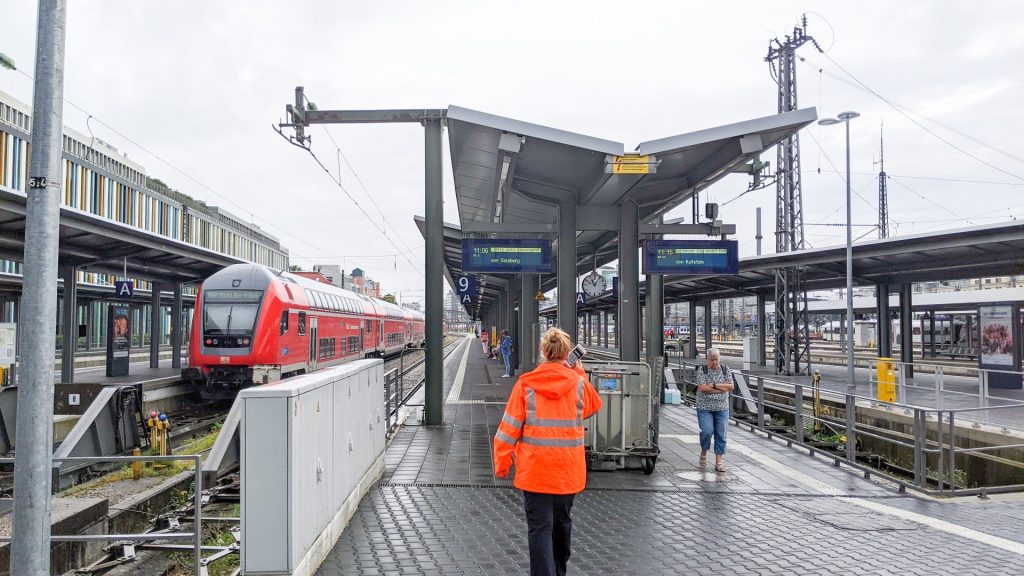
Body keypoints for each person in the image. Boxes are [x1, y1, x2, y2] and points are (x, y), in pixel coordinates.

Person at [494, 327, 602, 576]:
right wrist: (577, 371)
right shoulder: (577, 383)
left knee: (540, 529)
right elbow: (593, 406)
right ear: (566, 353)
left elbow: (508, 427)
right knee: (562, 524)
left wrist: (502, 463)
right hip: (568, 472)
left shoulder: (525, 385)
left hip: (535, 472)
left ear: (543, 352)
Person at [695, 348, 733, 472]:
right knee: (707, 431)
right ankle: (704, 451)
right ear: (707, 360)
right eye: (712, 360)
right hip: (704, 407)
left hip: (722, 407)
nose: (714, 362)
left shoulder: (725, 369)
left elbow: (731, 386)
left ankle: (719, 462)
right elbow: (702, 388)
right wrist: (721, 388)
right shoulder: (702, 370)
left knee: (721, 434)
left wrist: (713, 385)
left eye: (716, 360)